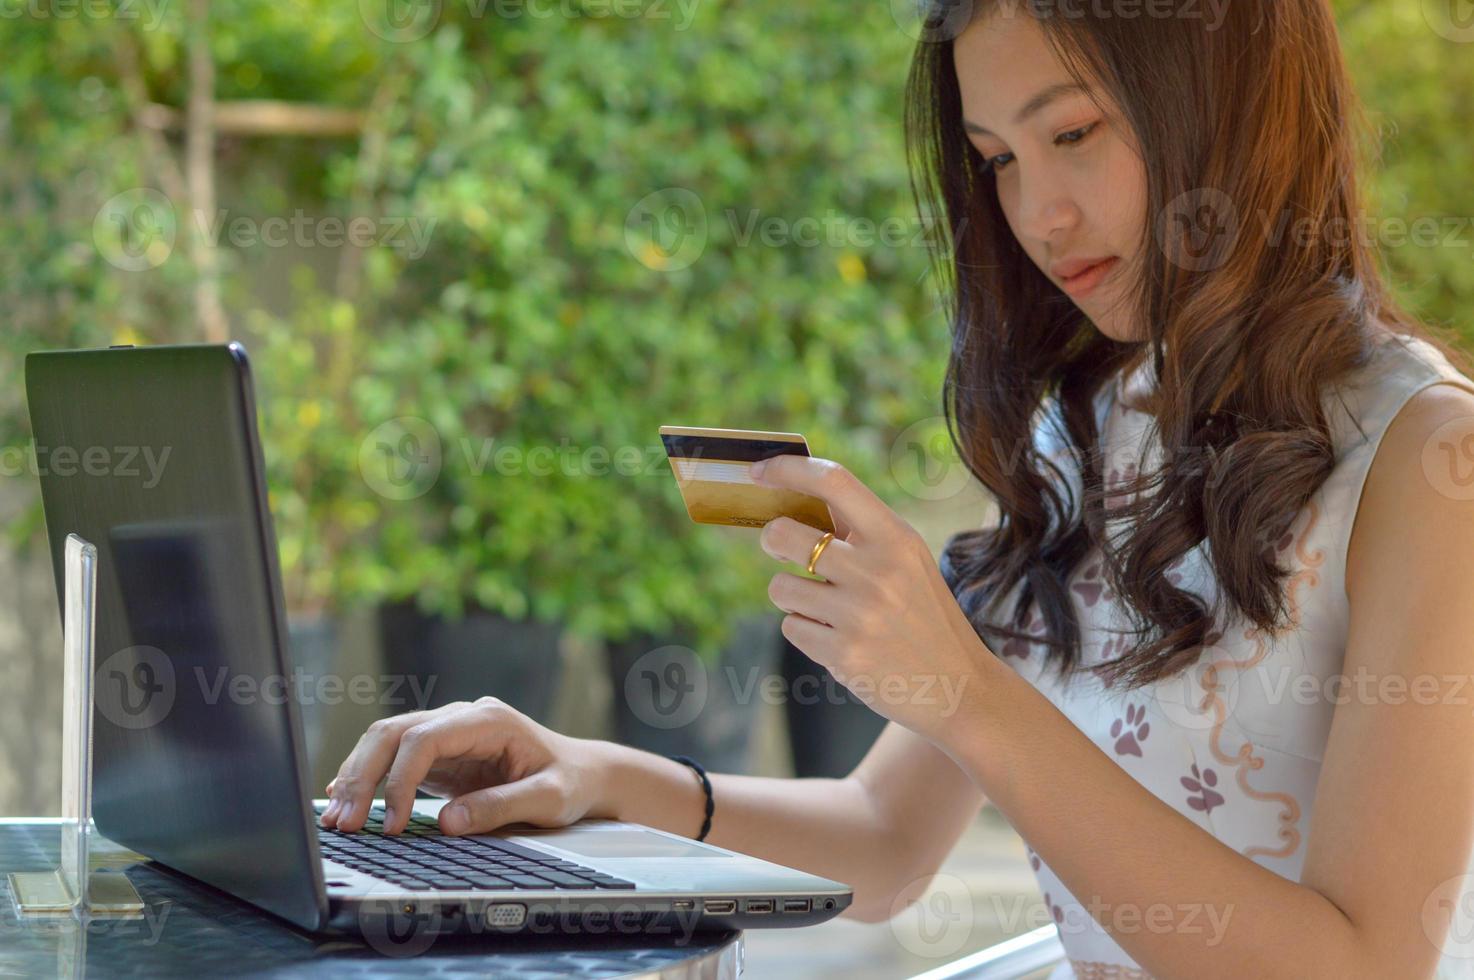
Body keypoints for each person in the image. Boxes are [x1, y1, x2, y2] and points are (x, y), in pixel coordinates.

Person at [322, 1, 1474, 975]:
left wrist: (969, 692)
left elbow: (1365, 962)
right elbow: (882, 842)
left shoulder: (1427, 464)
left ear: (1232, 101)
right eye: (998, 159)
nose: (1037, 214)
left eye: (1070, 130)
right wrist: (592, 771)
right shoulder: (1093, 421)